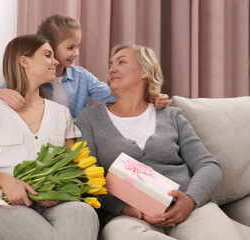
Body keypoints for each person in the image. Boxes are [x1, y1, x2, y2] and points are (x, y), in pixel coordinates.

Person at [76, 44, 243, 239]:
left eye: (121, 62)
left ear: (145, 71)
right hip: (130, 219)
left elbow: (208, 165)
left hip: (189, 210)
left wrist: (190, 200)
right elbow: (88, 176)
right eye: (110, 65)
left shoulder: (171, 115)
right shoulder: (90, 118)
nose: (111, 69)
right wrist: (127, 208)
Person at [0, 34, 99, 240]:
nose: (56, 61)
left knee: (84, 212)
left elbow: (72, 168)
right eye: (48, 55)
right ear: (24, 61)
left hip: (53, 206)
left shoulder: (61, 113)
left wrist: (57, 191)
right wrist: (7, 182)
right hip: (6, 206)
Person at [0, 14, 169, 118]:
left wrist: (151, 97)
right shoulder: (32, 77)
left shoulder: (81, 76)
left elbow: (113, 96)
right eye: (70, 47)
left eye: (78, 47)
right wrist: (2, 93)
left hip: (75, 144)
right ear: (49, 46)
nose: (76, 53)